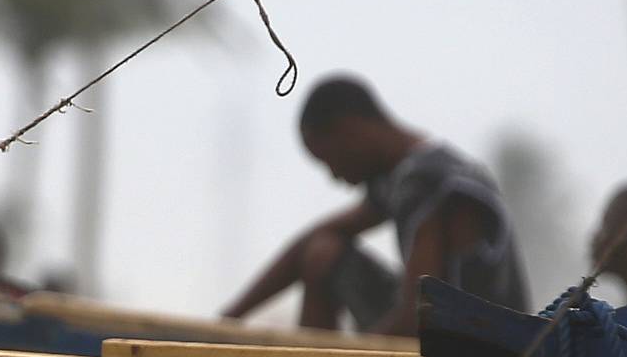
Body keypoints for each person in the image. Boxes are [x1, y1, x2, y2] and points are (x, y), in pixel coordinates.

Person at [222, 75, 530, 335]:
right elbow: (311, 243)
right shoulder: (401, 177)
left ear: (351, 131)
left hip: (478, 351)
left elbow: (417, 319)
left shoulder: (429, 181)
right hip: (435, 330)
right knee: (322, 252)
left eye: (330, 160)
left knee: (321, 254)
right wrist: (229, 320)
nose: (335, 175)